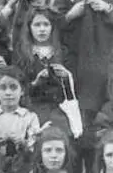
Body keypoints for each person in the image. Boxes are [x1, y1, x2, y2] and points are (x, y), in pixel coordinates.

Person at [13, 8, 76, 139]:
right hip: (31, 107)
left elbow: (72, 93)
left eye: (46, 25)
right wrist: (35, 83)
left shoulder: (63, 52)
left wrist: (65, 77)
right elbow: (17, 85)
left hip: (59, 109)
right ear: (29, 28)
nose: (42, 29)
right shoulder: (21, 53)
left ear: (52, 28)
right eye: (37, 25)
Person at [0, 66, 40, 150]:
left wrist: (23, 142)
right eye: (3, 88)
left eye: (13, 87)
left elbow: (34, 145)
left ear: (22, 90)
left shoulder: (30, 117)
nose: (8, 93)